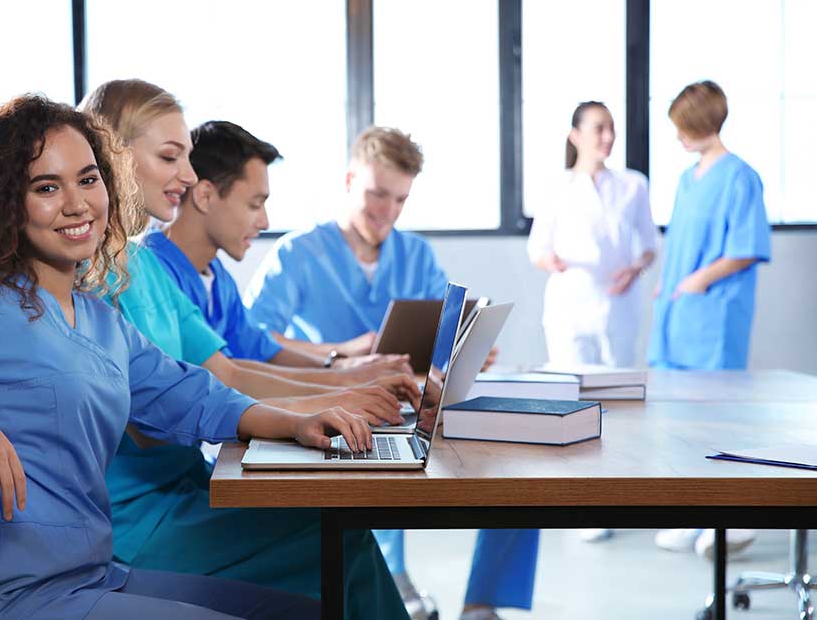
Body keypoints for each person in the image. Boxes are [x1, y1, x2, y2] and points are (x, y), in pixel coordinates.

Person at [0, 94, 379, 620]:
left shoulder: (98, 317)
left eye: (88, 179)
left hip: (97, 576)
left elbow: (192, 392)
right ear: (7, 203)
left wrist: (299, 422)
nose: (77, 205)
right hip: (23, 598)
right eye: (46, 187)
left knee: (299, 611)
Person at [79, 79, 411, 620]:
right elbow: (159, 414)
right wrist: (308, 407)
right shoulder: (98, 281)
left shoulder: (143, 268)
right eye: (170, 157)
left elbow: (227, 369)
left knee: (336, 536)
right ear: (108, 154)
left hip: (182, 489)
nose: (187, 178)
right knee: (339, 541)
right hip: (137, 522)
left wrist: (338, 391)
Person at [246, 126, 538, 620]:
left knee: (517, 478)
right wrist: (341, 351)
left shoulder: (415, 254)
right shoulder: (297, 254)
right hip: (341, 411)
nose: (387, 211)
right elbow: (252, 342)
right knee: (376, 469)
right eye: (377, 194)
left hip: (415, 408)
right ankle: (391, 577)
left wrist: (461, 350)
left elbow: (439, 338)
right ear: (348, 180)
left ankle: (482, 603)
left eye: (400, 199)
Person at [145, 120, 412, 385]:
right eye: (254, 204)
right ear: (204, 196)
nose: (265, 223)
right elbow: (225, 375)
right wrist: (341, 381)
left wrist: (344, 366)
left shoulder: (218, 279)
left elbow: (261, 349)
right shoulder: (151, 274)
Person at [648, 80, 771, 559]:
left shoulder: (741, 177)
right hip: (677, 310)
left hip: (714, 313)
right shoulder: (686, 177)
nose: (678, 136)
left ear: (703, 123)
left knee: (717, 418)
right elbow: (678, 240)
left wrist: (699, 279)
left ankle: (731, 521)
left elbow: (746, 248)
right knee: (678, 419)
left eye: (683, 127)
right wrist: (670, 279)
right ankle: (689, 513)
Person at [528, 101, 657, 371]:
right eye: (599, 129)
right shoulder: (556, 186)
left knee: (620, 394)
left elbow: (649, 246)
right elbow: (537, 249)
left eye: (612, 129)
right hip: (570, 307)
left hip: (619, 306)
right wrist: (548, 260)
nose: (608, 136)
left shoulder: (633, 185)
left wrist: (636, 269)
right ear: (576, 136)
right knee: (570, 392)